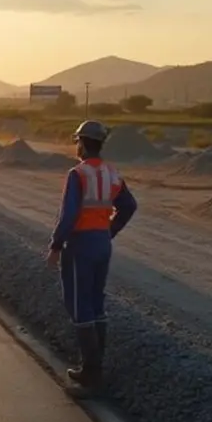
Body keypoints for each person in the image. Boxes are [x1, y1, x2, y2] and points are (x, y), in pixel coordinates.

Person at [45, 119, 137, 392]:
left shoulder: (78, 174)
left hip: (81, 245)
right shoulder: (112, 173)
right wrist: (109, 231)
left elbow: (69, 215)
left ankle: (91, 374)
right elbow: (129, 205)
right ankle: (95, 367)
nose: (77, 147)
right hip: (101, 244)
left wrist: (55, 245)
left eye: (77, 142)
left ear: (83, 143)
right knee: (96, 303)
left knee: (79, 304)